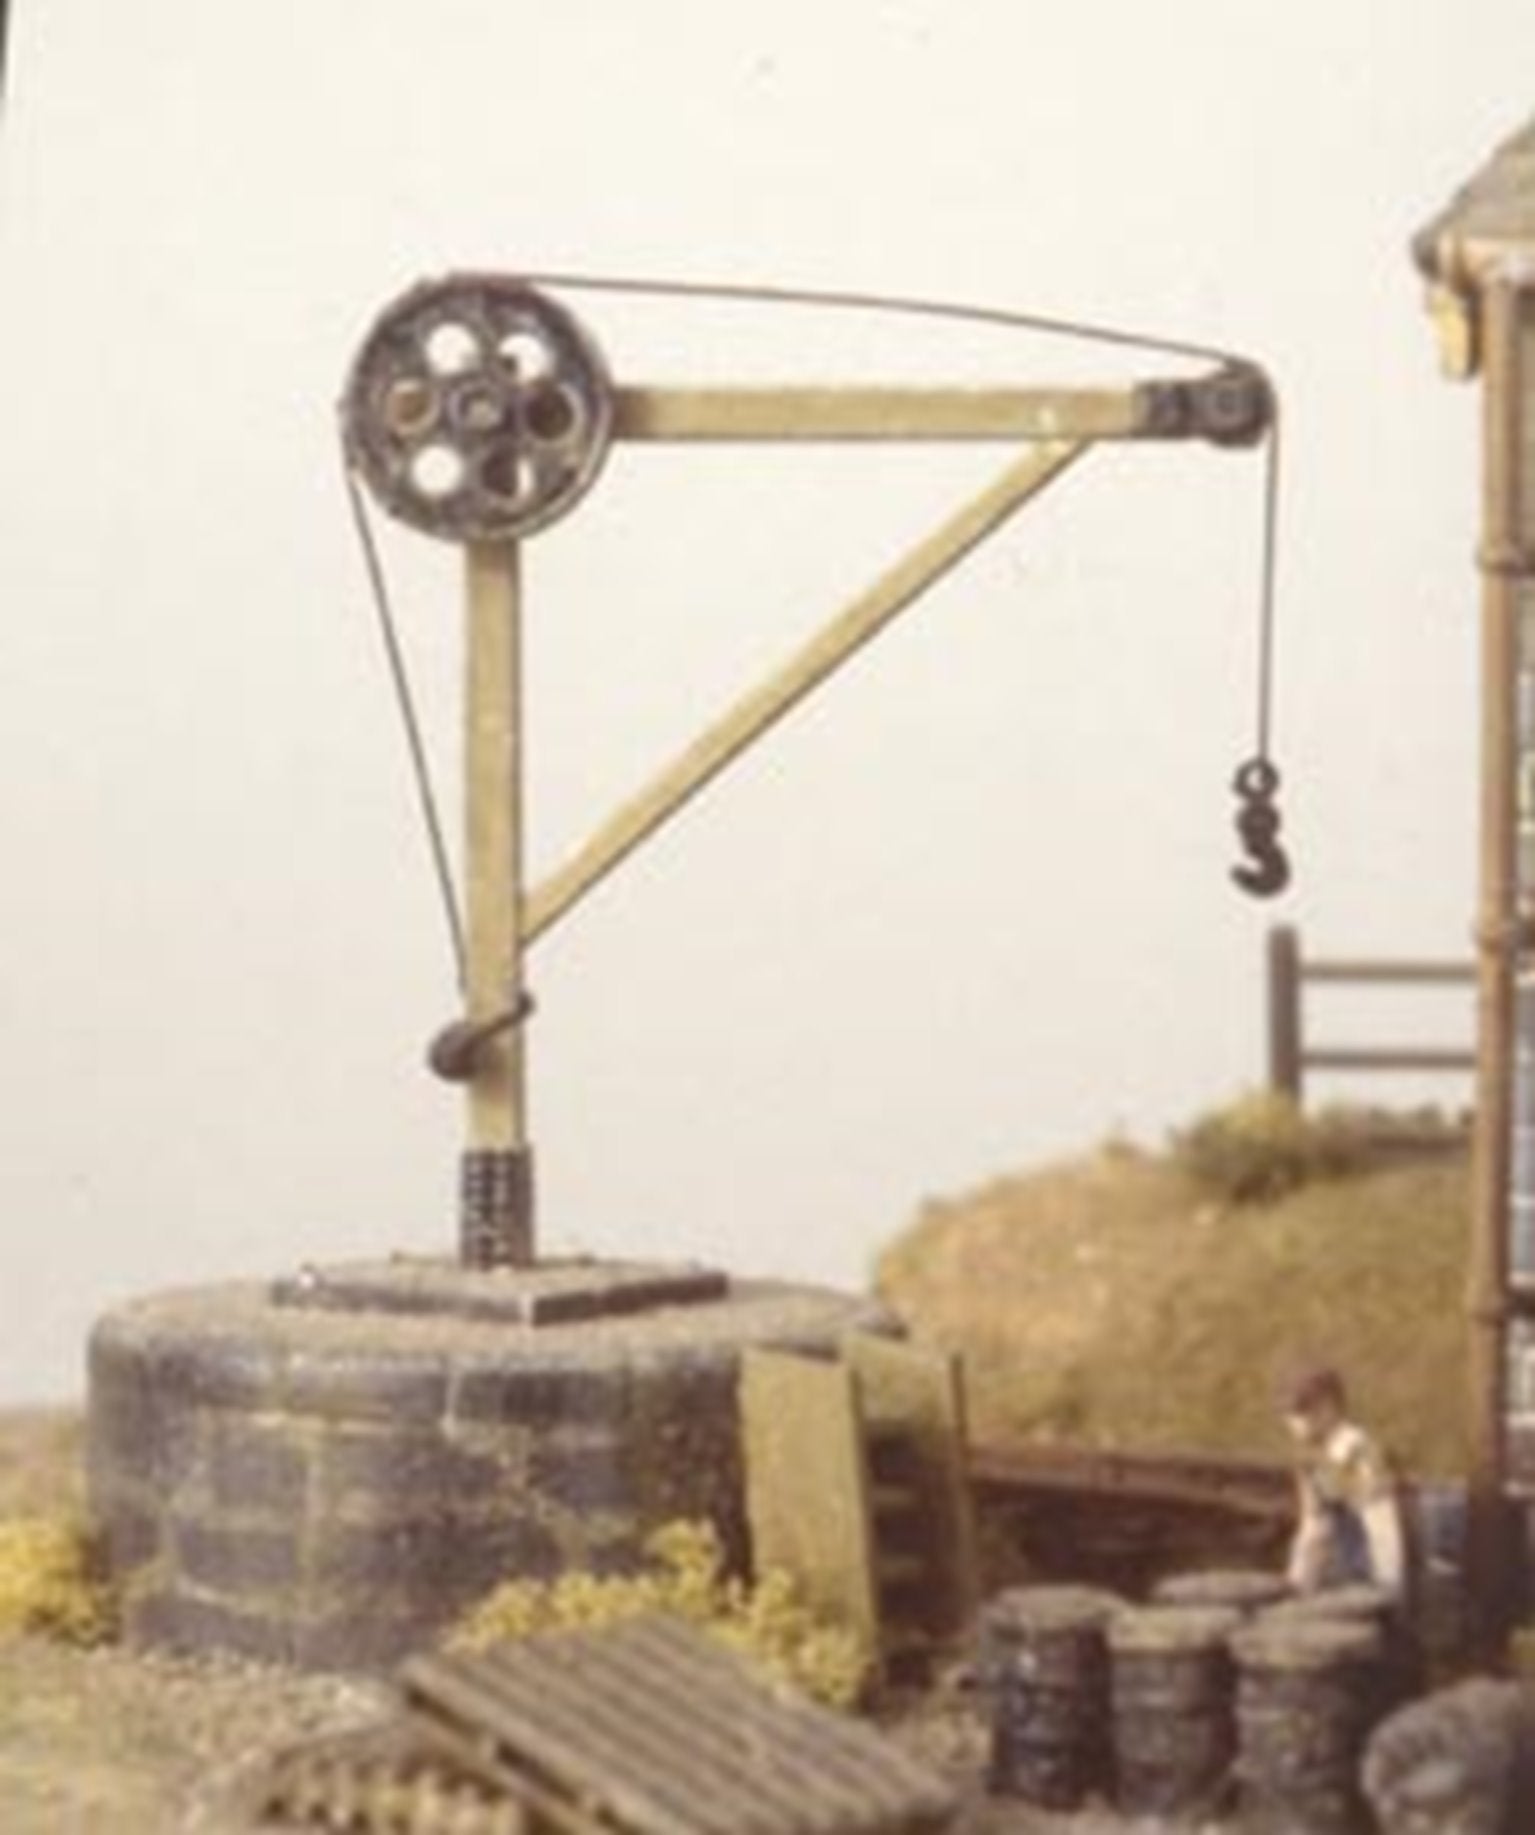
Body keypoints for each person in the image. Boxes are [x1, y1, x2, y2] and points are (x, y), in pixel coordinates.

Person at [1282, 1366, 1406, 1596]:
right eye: (1291, 1415)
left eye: (1303, 1412)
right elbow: (1313, 1527)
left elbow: (1382, 1528)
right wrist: (1297, 1585)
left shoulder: (1358, 1454)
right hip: (1343, 1574)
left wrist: (1387, 1587)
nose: (1295, 1423)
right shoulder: (1313, 1460)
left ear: (1329, 1408)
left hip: (1371, 1576)